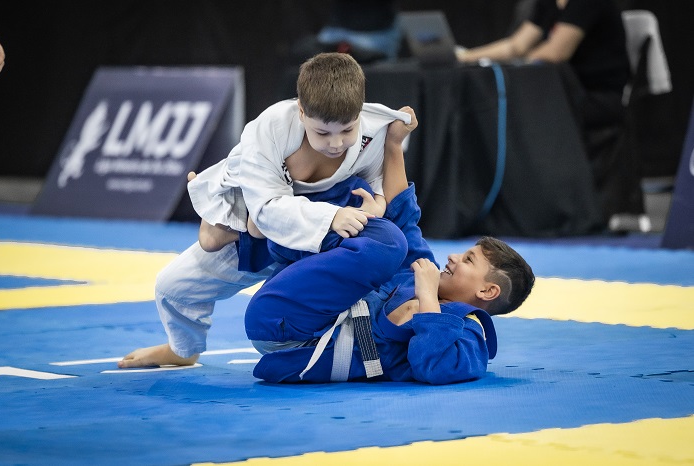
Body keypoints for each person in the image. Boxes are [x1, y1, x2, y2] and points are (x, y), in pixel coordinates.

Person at [117, 52, 413, 369]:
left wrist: (377, 200)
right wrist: (331, 217)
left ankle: (348, 333)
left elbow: (383, 184)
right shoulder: (269, 128)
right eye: (323, 132)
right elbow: (266, 211)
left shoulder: (373, 130)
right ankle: (182, 349)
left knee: (380, 243)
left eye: (347, 130)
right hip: (268, 225)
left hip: (322, 247)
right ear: (301, 111)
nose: (336, 144)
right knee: (172, 287)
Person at [243, 112, 536, 384]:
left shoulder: (470, 336)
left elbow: (434, 367)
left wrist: (427, 300)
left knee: (387, 240)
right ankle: (254, 224)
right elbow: (404, 215)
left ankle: (265, 222)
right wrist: (394, 144)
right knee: (360, 195)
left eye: (469, 260)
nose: (453, 257)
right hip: (295, 310)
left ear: (487, 291)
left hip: (293, 334)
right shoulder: (420, 272)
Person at [457, 0, 641, 224]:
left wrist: (517, 66)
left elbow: (556, 52)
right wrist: (465, 56)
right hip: (561, 94)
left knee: (524, 114)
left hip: (597, 97)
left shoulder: (588, 4)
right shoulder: (548, 4)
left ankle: (550, 209)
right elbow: (516, 46)